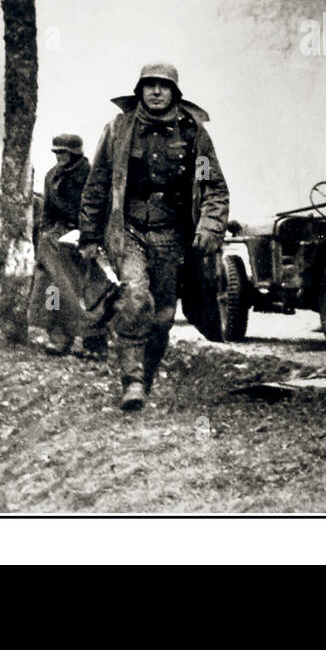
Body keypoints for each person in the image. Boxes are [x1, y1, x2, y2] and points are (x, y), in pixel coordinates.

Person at [78, 63, 229, 411]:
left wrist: (209, 227)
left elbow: (213, 187)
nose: (156, 92)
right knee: (133, 299)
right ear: (139, 90)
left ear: (175, 93)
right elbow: (98, 183)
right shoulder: (118, 130)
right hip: (127, 230)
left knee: (161, 316)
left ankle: (144, 379)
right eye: (150, 85)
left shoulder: (193, 134)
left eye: (164, 86)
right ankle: (130, 380)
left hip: (173, 237)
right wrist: (89, 235)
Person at [33, 133, 107, 357]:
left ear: (75, 153)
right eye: (56, 152)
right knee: (54, 287)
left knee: (92, 290)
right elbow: (47, 212)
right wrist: (49, 233)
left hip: (87, 237)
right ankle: (59, 338)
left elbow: (101, 208)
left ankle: (94, 342)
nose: (59, 157)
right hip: (59, 238)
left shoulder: (93, 175)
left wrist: (90, 237)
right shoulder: (51, 176)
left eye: (63, 152)